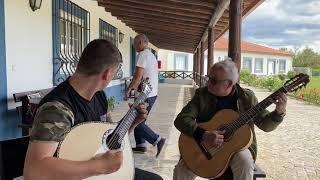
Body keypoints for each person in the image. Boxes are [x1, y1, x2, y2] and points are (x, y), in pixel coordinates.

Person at [23, 39, 161, 180]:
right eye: (115, 72)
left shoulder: (99, 96)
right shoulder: (57, 108)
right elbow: (34, 171)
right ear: (107, 74)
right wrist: (100, 166)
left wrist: (133, 122)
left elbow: (108, 140)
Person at [173, 59, 287, 180]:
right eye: (208, 77)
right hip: (203, 145)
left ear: (228, 84)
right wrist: (203, 134)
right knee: (182, 169)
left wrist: (279, 113)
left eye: (213, 80)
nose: (208, 82)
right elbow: (181, 119)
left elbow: (265, 125)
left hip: (236, 147)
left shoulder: (247, 98)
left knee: (245, 162)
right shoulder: (202, 95)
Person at [126, 34, 166, 158]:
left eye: (135, 43)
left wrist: (129, 89)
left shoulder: (142, 55)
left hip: (145, 94)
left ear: (140, 43)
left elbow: (138, 76)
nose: (133, 46)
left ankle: (157, 140)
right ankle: (140, 145)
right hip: (152, 93)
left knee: (135, 119)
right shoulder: (151, 55)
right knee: (140, 118)